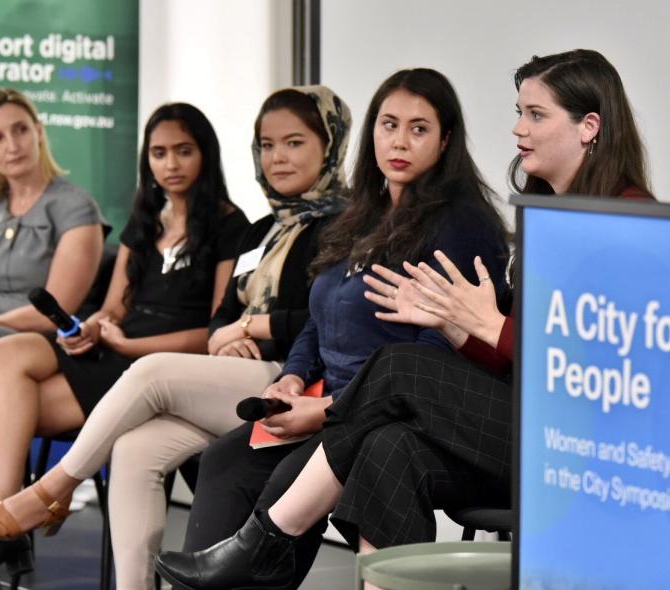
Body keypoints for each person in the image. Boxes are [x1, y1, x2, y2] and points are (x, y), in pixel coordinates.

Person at [154, 48, 656, 590]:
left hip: (580, 446)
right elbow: (514, 354)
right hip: (525, 425)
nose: (517, 129)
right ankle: (287, 553)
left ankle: (266, 538)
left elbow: (601, 366)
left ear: (589, 126)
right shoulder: (547, 213)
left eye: (535, 115)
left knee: (398, 366)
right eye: (519, 111)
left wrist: (489, 328)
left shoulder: (624, 217)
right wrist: (455, 326)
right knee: (387, 448)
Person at [0, 85, 352, 589]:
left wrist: (246, 329)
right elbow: (220, 319)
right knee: (133, 448)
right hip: (230, 377)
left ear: (331, 144)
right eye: (267, 145)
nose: (277, 157)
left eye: (294, 143)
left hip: (297, 385)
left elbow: (327, 323)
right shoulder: (264, 230)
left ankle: (49, 492)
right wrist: (221, 338)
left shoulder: (345, 228)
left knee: (146, 369)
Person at [149, 67, 510, 590]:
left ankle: (259, 548)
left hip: (393, 415)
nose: (399, 142)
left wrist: (325, 413)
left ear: (446, 139)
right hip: (329, 402)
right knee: (227, 456)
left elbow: (441, 349)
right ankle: (235, 561)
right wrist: (292, 379)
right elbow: (318, 320)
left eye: (419, 128)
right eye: (388, 125)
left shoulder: (460, 222)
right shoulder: (359, 215)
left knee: (285, 475)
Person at [0, 87, 105, 408]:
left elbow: (56, 311)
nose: (12, 146)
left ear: (38, 131)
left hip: (37, 339)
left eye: (20, 130)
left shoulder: (75, 207)